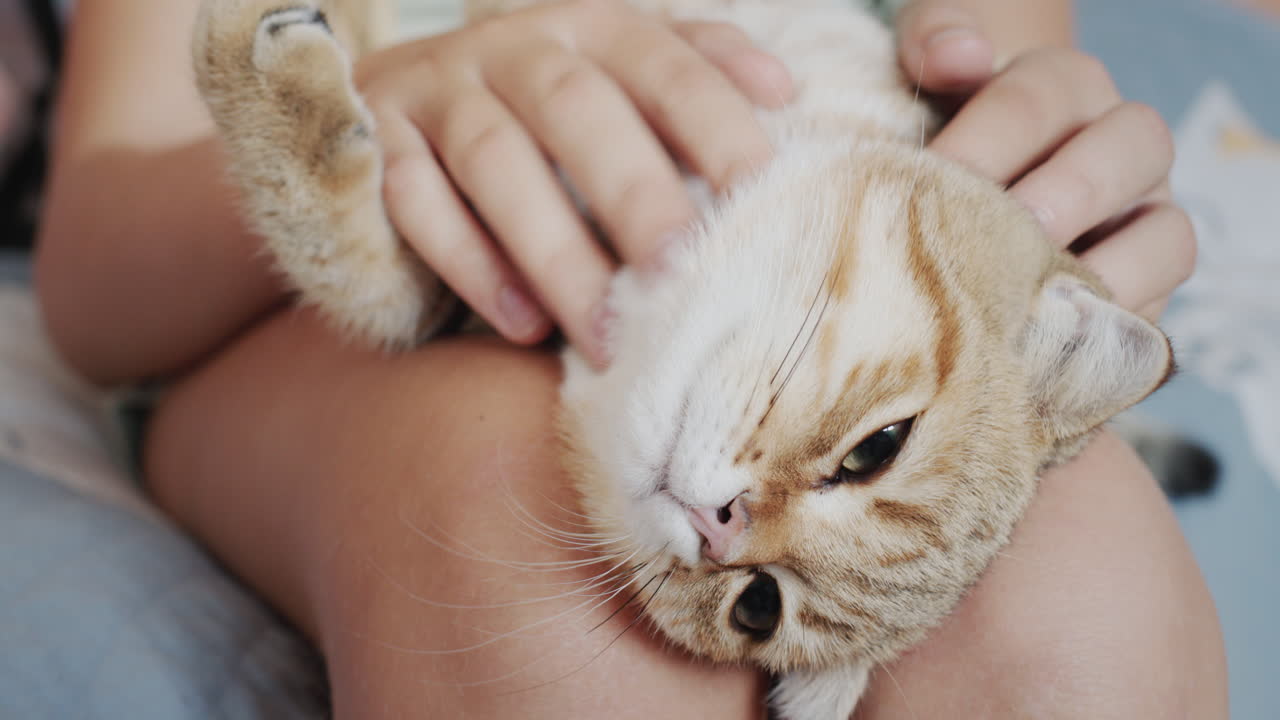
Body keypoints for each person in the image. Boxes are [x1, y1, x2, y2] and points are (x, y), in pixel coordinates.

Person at [35, 0, 1227, 717]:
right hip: (276, 314)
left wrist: (1060, 190)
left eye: (756, 583)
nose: (730, 534)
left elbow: (1015, 128)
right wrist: (386, 107)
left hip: (809, 255)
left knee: (1092, 613)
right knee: (547, 622)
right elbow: (96, 290)